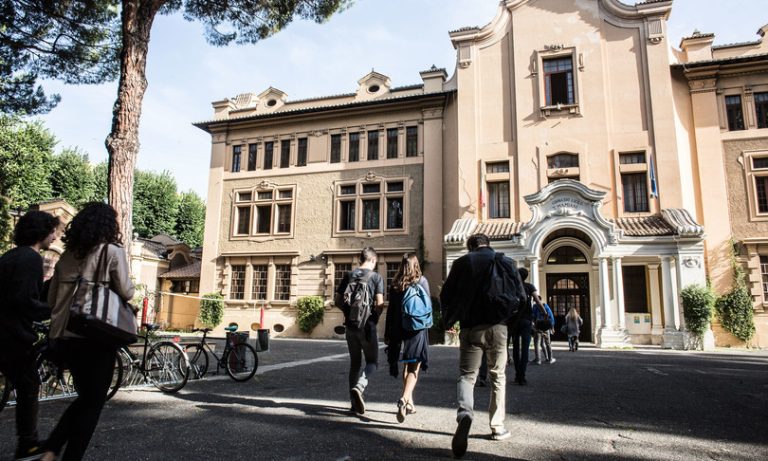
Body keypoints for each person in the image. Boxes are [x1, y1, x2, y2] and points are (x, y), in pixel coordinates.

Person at [41, 203, 135, 461]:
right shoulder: (112, 252)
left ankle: (50, 449)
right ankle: (62, 453)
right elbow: (127, 291)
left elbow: (51, 301)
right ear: (109, 226)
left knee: (86, 398)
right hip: (97, 335)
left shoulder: (67, 255)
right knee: (93, 403)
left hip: (65, 336)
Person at [440, 233, 525, 457]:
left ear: (470, 246)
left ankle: (465, 414)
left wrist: (452, 323)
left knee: (467, 376)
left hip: (470, 327)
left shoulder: (462, 263)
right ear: (488, 244)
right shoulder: (505, 261)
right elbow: (520, 296)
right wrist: (508, 324)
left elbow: (446, 295)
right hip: (498, 327)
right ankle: (497, 427)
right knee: (498, 376)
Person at [0, 210, 60, 460]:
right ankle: (28, 443)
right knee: (28, 384)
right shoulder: (30, 259)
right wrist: (54, 310)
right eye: (53, 230)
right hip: (12, 335)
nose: (55, 235)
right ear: (42, 232)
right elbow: (24, 300)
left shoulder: (11, 256)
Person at [335, 247, 384, 415]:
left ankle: (353, 404)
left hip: (350, 326)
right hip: (368, 327)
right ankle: (360, 386)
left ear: (360, 259)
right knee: (372, 362)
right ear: (373, 260)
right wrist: (374, 318)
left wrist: (348, 313)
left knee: (354, 364)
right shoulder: (376, 277)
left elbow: (337, 301)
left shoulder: (349, 275)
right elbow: (380, 303)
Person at [384, 253, 430, 423]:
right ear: (416, 264)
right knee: (413, 367)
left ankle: (410, 403)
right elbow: (427, 307)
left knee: (405, 365)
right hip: (416, 328)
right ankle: (404, 399)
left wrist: (387, 333)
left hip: (398, 328)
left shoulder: (395, 284)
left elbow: (390, 312)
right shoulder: (422, 281)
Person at [509, 267, 541, 385]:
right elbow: (537, 301)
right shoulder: (529, 287)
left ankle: (518, 375)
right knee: (525, 348)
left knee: (516, 348)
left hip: (515, 321)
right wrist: (545, 312)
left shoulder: (513, 286)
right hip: (526, 321)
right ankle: (522, 375)